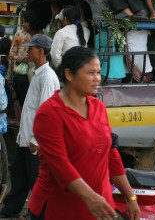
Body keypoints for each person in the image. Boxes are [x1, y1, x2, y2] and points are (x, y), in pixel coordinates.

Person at [28, 47, 141, 219]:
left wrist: (130, 197)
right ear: (69, 74)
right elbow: (60, 165)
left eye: (98, 72)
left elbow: (111, 155)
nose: (97, 78)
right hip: (59, 208)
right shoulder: (49, 113)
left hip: (99, 206)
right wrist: (90, 197)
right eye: (91, 72)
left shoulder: (98, 107)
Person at [0, 35, 59, 219]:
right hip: (26, 138)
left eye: (32, 48)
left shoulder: (47, 77)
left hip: (35, 140)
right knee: (20, 176)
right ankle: (11, 210)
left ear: (41, 51)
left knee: (37, 180)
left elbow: (47, 112)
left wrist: (36, 138)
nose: (28, 50)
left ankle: (41, 215)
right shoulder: (38, 73)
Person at [9, 10, 44, 107]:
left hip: (36, 68)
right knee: (21, 83)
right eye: (23, 21)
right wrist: (19, 58)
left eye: (26, 22)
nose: (23, 24)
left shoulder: (41, 35)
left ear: (32, 22)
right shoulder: (19, 34)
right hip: (21, 70)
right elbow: (11, 52)